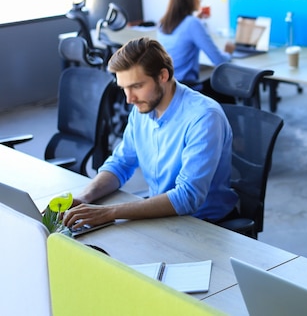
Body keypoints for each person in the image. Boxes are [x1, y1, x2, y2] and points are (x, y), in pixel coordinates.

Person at [63, 37, 239, 230]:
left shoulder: (204, 117)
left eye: (136, 86)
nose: (129, 99)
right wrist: (83, 198)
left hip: (205, 226)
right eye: (124, 88)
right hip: (163, 218)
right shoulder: (143, 108)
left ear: (163, 76)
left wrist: (109, 212)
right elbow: (121, 163)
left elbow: (187, 197)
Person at [157, 0, 236, 103]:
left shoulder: (163, 23)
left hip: (169, 87)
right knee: (226, 89)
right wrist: (228, 52)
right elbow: (219, 61)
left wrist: (197, 20)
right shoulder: (192, 23)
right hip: (187, 88)